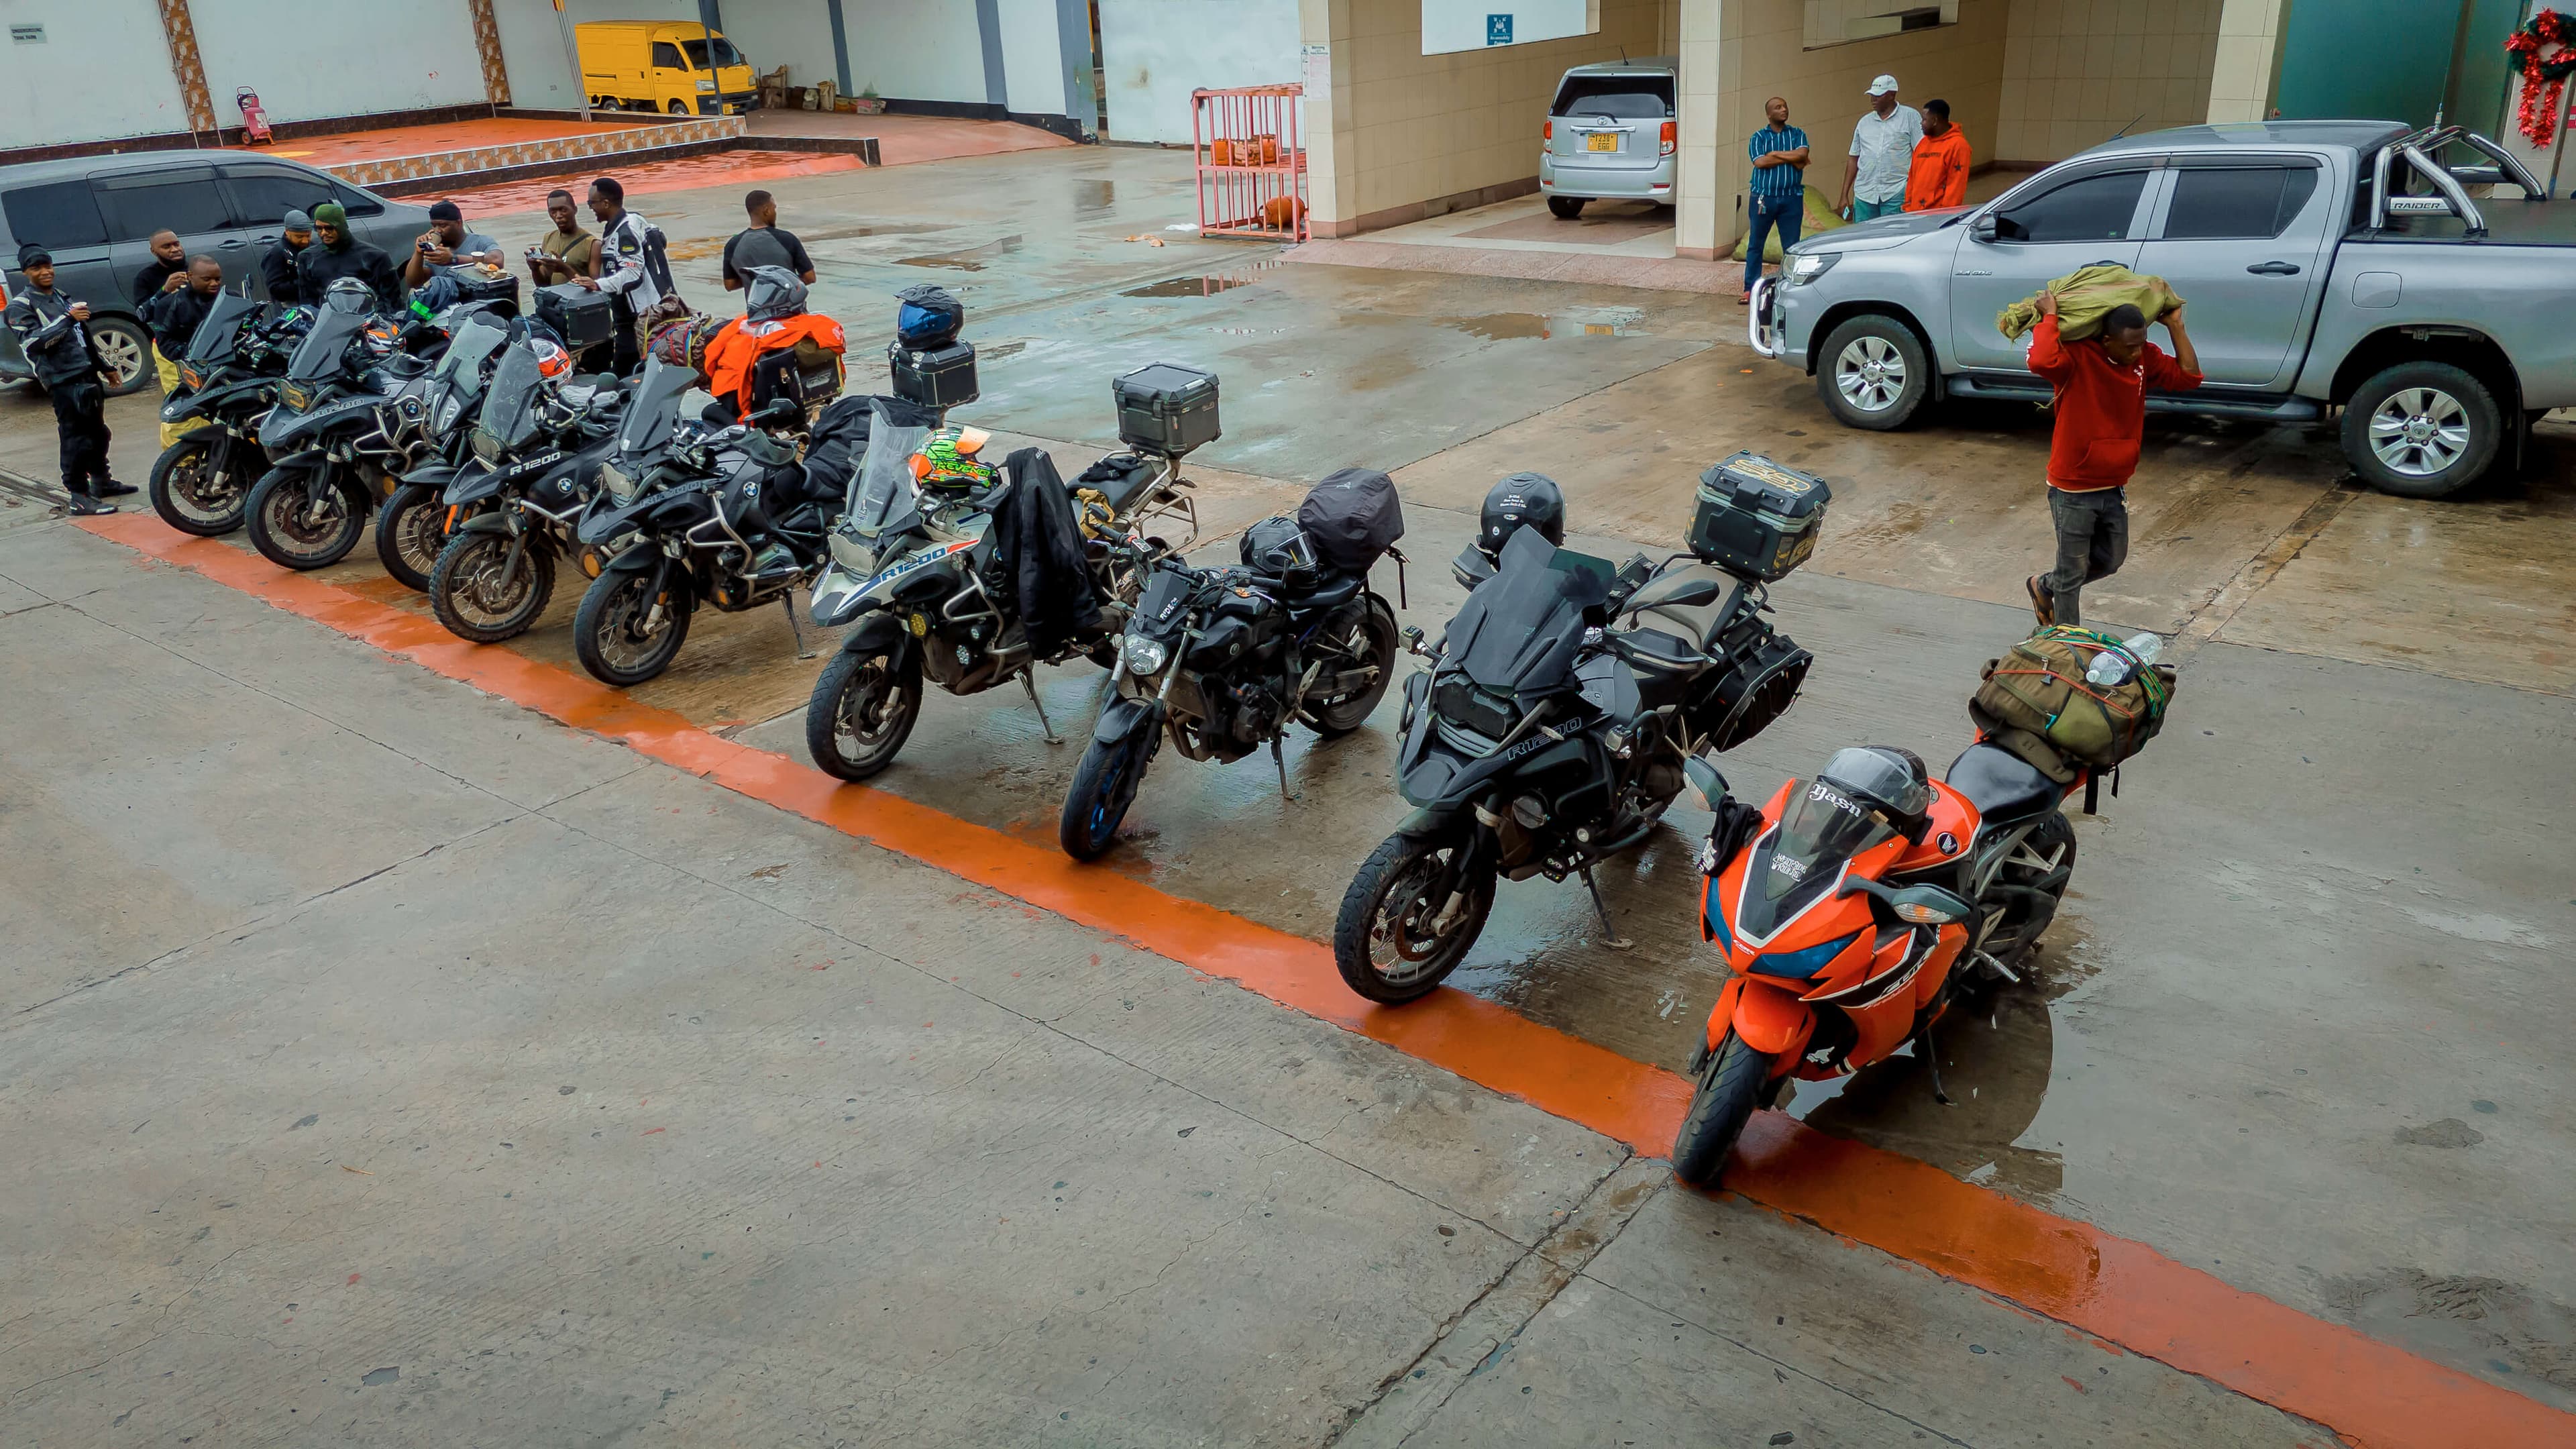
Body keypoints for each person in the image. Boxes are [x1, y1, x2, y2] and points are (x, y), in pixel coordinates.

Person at [2024, 291, 2202, 627]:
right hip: (2073, 487)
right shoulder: (2077, 357)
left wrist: (2176, 327)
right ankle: (2069, 646)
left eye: (2141, 344)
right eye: (2130, 346)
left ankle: (2045, 586)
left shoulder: (2142, 357)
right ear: (2106, 341)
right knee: (2073, 572)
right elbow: (2041, 362)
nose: (2137, 353)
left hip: (2114, 483)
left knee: (2111, 560)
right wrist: (2049, 317)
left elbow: (2189, 377)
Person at [3, 244, 125, 513]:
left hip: (86, 374)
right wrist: (67, 319)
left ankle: (102, 482)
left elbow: (83, 336)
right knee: (75, 438)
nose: (45, 272)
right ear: (26, 273)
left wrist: (104, 366)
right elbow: (34, 344)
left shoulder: (60, 297)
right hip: (62, 379)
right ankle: (79, 495)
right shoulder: (19, 306)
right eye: (37, 268)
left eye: (48, 266)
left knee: (98, 433)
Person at [579, 176, 670, 374]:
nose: (590, 208)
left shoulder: (625, 233)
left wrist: (598, 285)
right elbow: (661, 241)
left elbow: (631, 275)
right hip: (644, 316)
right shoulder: (635, 221)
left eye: (591, 203)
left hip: (638, 320)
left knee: (624, 377)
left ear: (606, 203)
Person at [143, 255, 224, 448]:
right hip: (179, 361)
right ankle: (181, 461)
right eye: (207, 279)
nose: (214, 284)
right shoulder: (169, 304)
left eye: (218, 279)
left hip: (218, 361)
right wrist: (188, 358)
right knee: (182, 406)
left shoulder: (227, 298)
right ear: (190, 276)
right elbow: (165, 341)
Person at [1743, 95, 1809, 305]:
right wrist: (1793, 157)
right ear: (1769, 114)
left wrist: (1777, 154)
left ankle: (1791, 286)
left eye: (1785, 106)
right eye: (1778, 107)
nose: (1784, 110)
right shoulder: (1758, 137)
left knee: (1791, 246)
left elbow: (1803, 155)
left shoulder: (1798, 133)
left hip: (1792, 198)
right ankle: (1750, 289)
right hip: (1764, 198)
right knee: (1756, 244)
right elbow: (1760, 162)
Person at [1839, 75, 1922, 222]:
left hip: (1896, 192)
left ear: (1892, 95)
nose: (1873, 100)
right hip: (1865, 194)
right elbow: (1853, 158)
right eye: (1872, 96)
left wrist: (1916, 187)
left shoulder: (1910, 117)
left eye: (1878, 96)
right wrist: (1844, 195)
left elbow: (1921, 153)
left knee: (1893, 239)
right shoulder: (1864, 123)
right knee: (1864, 240)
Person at [295, 203, 403, 310]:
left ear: (341, 226)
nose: (324, 233)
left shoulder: (375, 257)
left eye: (329, 228)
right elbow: (307, 304)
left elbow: (392, 303)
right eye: (319, 228)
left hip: (369, 322)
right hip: (327, 322)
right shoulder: (307, 258)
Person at [402, 199, 504, 308]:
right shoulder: (436, 250)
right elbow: (413, 283)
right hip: (446, 308)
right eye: (434, 226)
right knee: (415, 311)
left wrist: (454, 259)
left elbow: (497, 260)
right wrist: (419, 253)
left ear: (459, 223)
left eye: (443, 225)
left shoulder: (479, 242)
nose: (438, 230)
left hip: (479, 305)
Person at [721, 190, 814, 292]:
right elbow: (810, 277)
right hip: (790, 306)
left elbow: (730, 284)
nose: (775, 213)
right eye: (774, 208)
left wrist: (757, 280)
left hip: (756, 307)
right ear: (767, 211)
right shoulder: (787, 239)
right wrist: (782, 282)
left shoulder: (733, 245)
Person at [1903, 99, 1971, 212]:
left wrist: (1945, 214)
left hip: (1937, 215)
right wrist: (1908, 206)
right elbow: (1912, 177)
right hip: (1915, 212)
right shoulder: (1923, 143)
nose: (1921, 123)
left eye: (1925, 119)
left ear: (1935, 120)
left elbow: (1956, 185)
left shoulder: (1958, 145)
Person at [525, 190, 598, 289]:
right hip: (556, 303)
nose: (558, 216)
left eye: (563, 210)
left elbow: (597, 290)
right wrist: (535, 269)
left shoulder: (592, 245)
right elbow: (543, 285)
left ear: (575, 210)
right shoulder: (549, 238)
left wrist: (565, 270)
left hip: (579, 303)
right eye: (553, 212)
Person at [262, 210, 313, 304]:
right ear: (287, 232)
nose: (305, 241)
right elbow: (275, 290)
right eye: (299, 237)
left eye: (308, 236)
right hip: (291, 308)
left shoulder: (314, 248)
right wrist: (306, 284)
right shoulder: (277, 254)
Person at [130, 229, 188, 310]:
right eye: (167, 247)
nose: (175, 250)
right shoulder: (145, 277)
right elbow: (142, 315)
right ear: (154, 251)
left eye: (176, 244)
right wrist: (165, 290)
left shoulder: (196, 269)